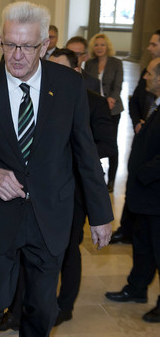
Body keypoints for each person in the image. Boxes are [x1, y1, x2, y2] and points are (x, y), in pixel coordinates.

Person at [0, 1, 113, 337]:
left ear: (44, 45)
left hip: (50, 216)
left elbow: (85, 152)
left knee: (42, 310)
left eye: (26, 46)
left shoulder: (70, 85)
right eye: (9, 44)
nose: (16, 55)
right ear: (0, 40)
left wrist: (101, 213)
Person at [0, 48, 117, 331]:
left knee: (67, 252)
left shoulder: (94, 103)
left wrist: (66, 155)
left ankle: (63, 306)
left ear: (75, 73)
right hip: (28, 196)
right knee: (26, 257)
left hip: (70, 195)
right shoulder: (33, 96)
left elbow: (99, 150)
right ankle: (19, 310)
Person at [105, 57, 160, 323]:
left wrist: (142, 174)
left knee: (157, 248)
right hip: (145, 196)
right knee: (143, 246)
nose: (145, 77)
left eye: (149, 73)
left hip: (155, 194)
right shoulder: (154, 104)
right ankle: (137, 288)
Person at [110, 29, 160, 245]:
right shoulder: (149, 71)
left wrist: (143, 173)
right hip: (143, 162)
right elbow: (135, 100)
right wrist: (140, 121)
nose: (149, 48)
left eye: (154, 44)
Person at [84, 33, 124, 192]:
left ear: (107, 47)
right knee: (94, 141)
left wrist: (111, 99)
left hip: (113, 109)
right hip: (95, 110)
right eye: (96, 45)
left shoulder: (116, 63)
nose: (99, 47)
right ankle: (96, 175)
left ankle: (112, 180)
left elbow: (118, 84)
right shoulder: (90, 64)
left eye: (102, 44)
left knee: (111, 143)